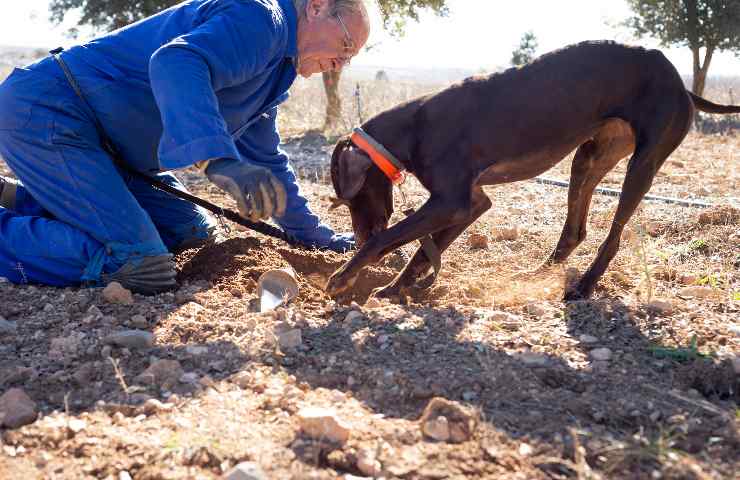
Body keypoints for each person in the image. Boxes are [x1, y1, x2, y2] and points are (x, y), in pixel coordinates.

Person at [0, 0, 370, 294]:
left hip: (110, 152)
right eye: (346, 44)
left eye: (352, 56)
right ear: (317, 6)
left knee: (196, 238)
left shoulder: (276, 73)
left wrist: (317, 238)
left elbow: (267, 161)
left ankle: (26, 198)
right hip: (50, 114)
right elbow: (177, 60)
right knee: (142, 266)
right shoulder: (261, 18)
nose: (344, 60)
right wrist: (217, 159)